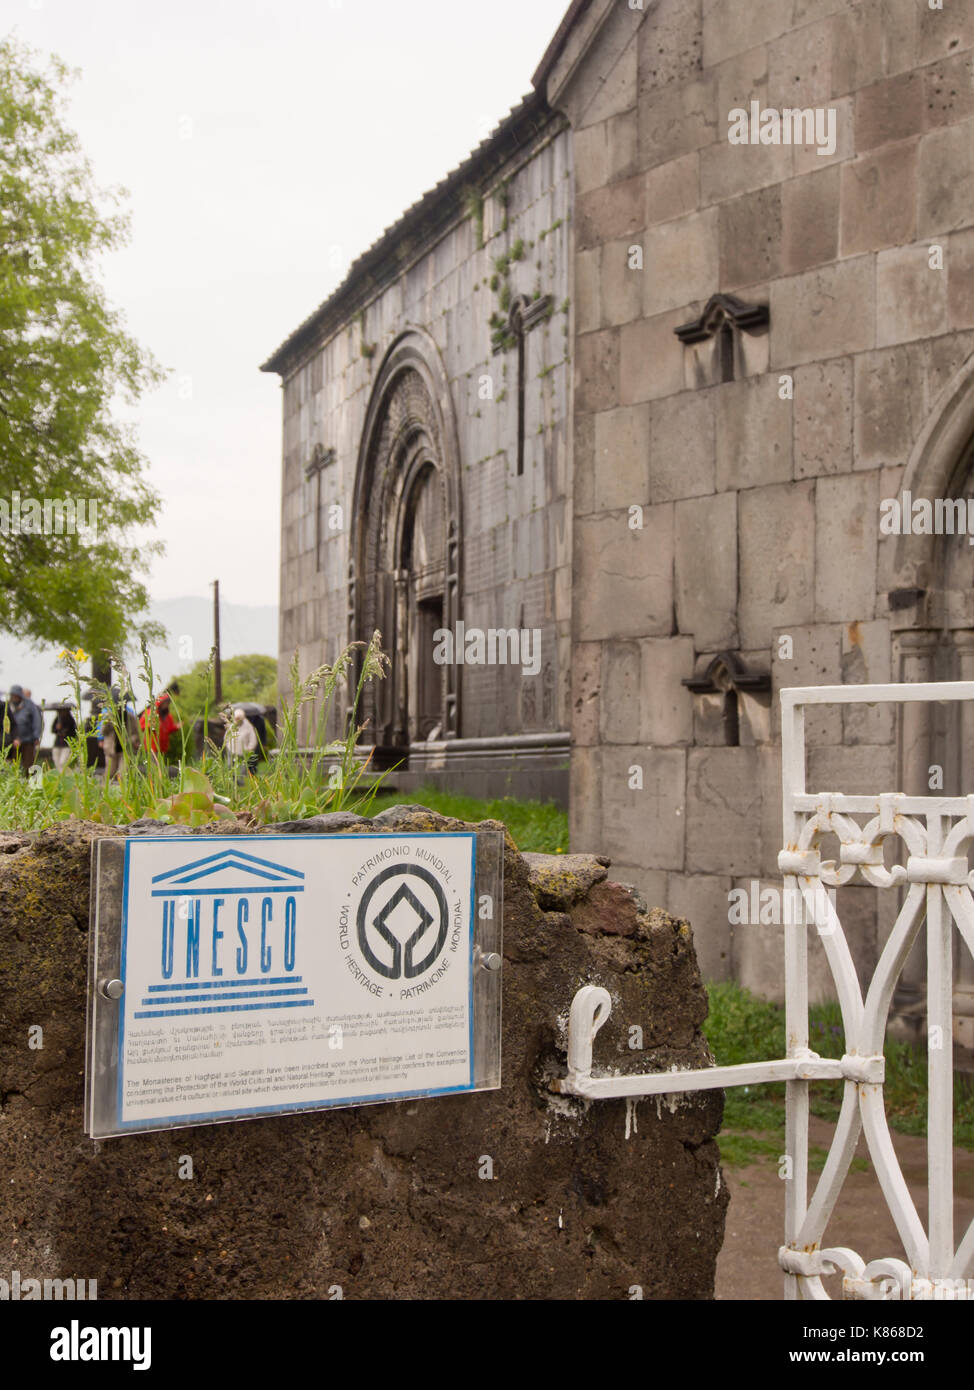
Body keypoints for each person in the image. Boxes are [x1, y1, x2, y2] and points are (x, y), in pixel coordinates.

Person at [6, 684, 43, 774]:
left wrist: (36, 736)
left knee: (29, 764)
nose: (14, 697)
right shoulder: (7, 705)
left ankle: (30, 784)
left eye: (16, 695)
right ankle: (16, 784)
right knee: (13, 765)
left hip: (28, 740)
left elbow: (37, 721)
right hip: (13, 741)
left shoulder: (30, 705)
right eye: (13, 695)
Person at [224, 707, 259, 775]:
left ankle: (242, 781)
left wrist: (249, 748)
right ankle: (232, 779)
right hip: (232, 750)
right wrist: (228, 745)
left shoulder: (248, 726)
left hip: (243, 751)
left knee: (243, 768)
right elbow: (226, 737)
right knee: (230, 766)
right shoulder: (232, 726)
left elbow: (253, 739)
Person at [51, 704, 77, 773]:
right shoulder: (57, 719)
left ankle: (63, 775)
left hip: (67, 744)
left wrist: (65, 732)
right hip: (57, 743)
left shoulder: (71, 720)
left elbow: (74, 732)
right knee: (56, 761)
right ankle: (60, 775)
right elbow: (53, 730)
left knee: (63, 762)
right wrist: (57, 728)